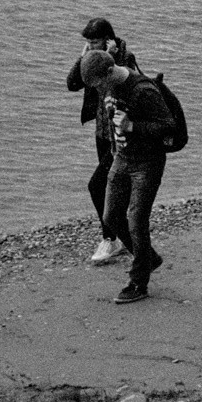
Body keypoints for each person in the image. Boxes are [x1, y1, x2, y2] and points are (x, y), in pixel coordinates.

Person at [77, 49, 173, 304]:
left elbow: (168, 125)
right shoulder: (108, 85)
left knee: (136, 221)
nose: (99, 90)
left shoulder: (143, 91)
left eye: (99, 84)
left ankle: (138, 283)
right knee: (111, 216)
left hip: (147, 163)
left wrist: (132, 126)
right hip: (121, 158)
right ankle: (148, 258)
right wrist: (114, 148)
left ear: (110, 72)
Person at [65, 18, 141, 266]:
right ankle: (120, 236)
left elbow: (129, 84)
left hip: (121, 134)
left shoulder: (125, 58)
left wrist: (113, 59)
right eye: (87, 42)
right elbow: (72, 84)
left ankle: (113, 238)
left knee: (98, 186)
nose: (90, 46)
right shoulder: (90, 59)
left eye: (95, 42)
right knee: (109, 186)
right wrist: (82, 58)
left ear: (108, 40)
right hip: (102, 133)